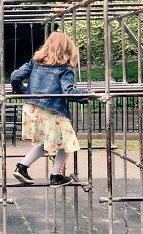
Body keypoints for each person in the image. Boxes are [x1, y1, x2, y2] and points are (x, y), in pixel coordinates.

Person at [10, 31, 87, 187]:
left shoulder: (35, 62)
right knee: (68, 141)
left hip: (31, 108)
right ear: (67, 49)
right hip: (50, 110)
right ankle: (56, 176)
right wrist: (87, 95)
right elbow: (69, 92)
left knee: (49, 142)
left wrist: (20, 89)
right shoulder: (65, 69)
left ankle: (22, 167)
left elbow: (15, 76)